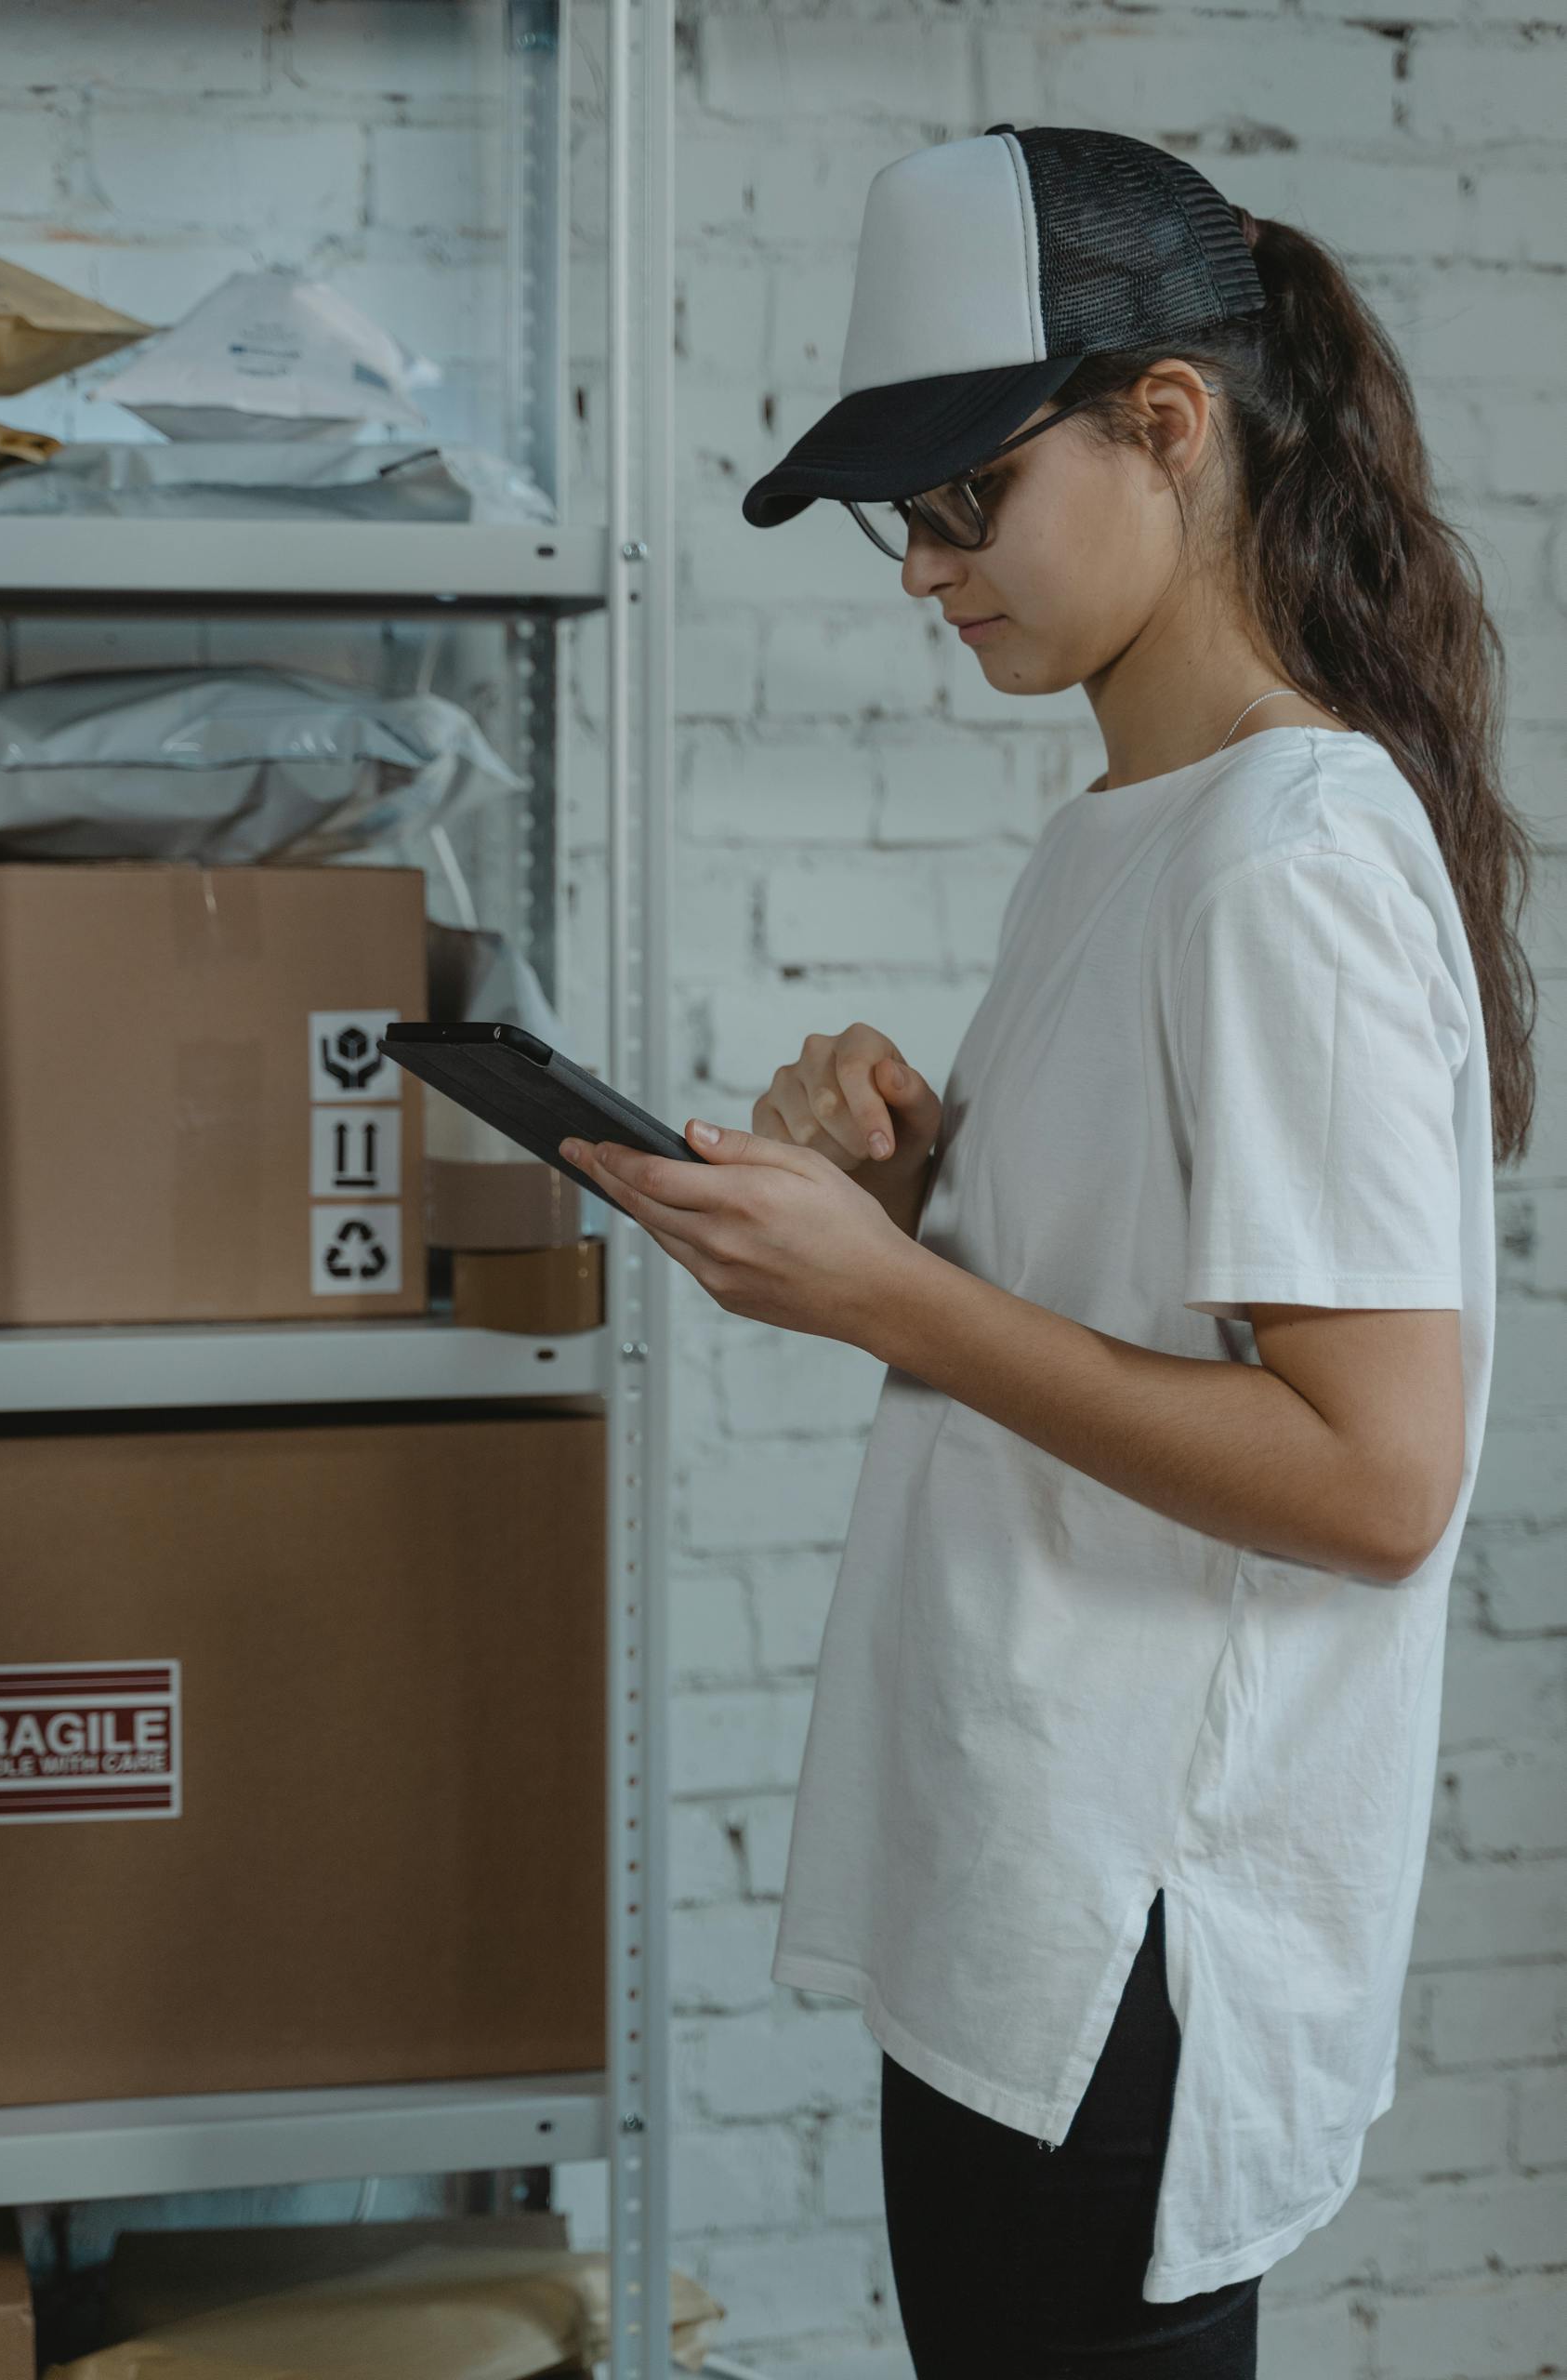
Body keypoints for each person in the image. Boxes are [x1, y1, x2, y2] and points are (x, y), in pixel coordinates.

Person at [560, 124, 1541, 2375]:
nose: (922, 569)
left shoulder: (1278, 859)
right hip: (1022, 1877)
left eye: (957, 498)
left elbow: (1377, 1476)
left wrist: (896, 1295)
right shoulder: (1124, 828)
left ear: (1165, 426)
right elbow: (1126, 1323)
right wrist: (906, 1215)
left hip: (1135, 1940)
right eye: (900, 519)